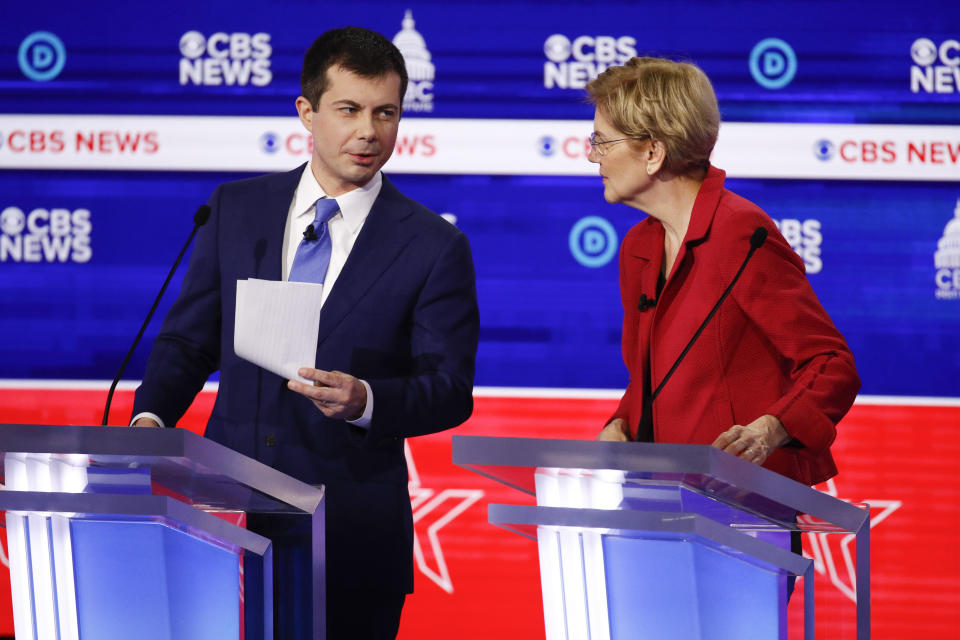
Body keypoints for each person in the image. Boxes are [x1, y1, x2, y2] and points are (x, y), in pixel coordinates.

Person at [130, 27, 479, 639]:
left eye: (385, 112)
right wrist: (149, 421)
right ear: (307, 113)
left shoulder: (433, 244)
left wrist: (367, 400)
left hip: (350, 536)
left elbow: (449, 388)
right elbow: (190, 339)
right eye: (348, 110)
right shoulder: (236, 209)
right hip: (222, 518)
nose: (369, 131)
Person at [589, 57, 859, 487]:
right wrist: (620, 424)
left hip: (745, 503)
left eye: (602, 142)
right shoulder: (638, 248)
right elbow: (659, 382)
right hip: (660, 500)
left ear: (653, 152)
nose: (591, 155)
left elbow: (831, 364)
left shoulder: (739, 232)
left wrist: (770, 428)